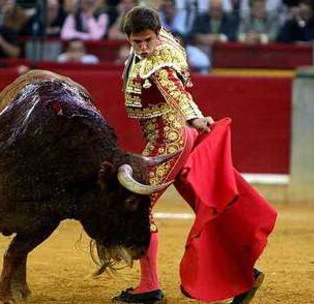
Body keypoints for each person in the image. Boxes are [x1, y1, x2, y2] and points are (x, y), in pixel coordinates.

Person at [112, 6, 277, 304]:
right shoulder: (164, 40)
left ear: (157, 33)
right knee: (207, 208)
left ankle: (149, 286)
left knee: (137, 207)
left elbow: (175, 90)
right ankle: (245, 275)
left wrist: (195, 118)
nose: (145, 48)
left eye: (148, 40)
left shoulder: (159, 61)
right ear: (128, 38)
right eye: (137, 42)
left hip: (170, 141)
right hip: (178, 139)